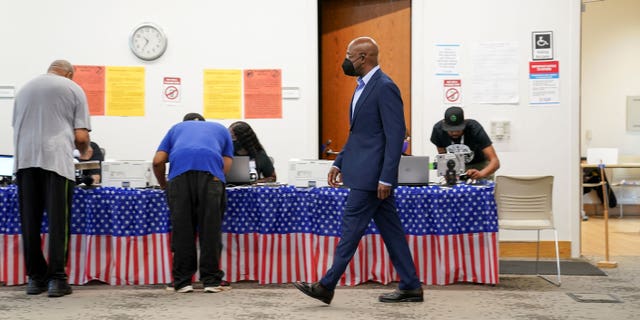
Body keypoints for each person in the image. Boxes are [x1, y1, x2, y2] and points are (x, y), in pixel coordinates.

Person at [293, 37, 423, 304]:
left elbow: (395, 134)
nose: (346, 59)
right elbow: (359, 134)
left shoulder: (385, 87)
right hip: (365, 173)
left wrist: (387, 176)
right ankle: (410, 285)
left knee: (351, 230)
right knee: (392, 232)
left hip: (372, 178)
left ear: (363, 58)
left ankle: (326, 285)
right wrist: (340, 161)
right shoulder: (362, 87)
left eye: (349, 54)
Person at [12, 59, 91, 297]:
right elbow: (80, 136)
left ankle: (35, 279)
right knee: (59, 223)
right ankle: (57, 280)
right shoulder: (72, 88)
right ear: (69, 74)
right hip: (56, 161)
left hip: (25, 162)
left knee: (30, 222)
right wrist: (85, 150)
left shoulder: (24, 89)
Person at [152, 112, 234, 293]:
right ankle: (211, 281)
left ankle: (182, 282)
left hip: (179, 179)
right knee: (210, 230)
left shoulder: (176, 129)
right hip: (211, 178)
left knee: (182, 230)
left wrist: (165, 186)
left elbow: (158, 161)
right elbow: (225, 165)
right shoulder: (220, 129)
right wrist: (215, 180)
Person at [430, 106, 500, 180]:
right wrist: (447, 173)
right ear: (444, 125)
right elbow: (443, 158)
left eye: (458, 130)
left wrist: (481, 174)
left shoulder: (474, 128)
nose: (454, 133)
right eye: (450, 130)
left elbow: (495, 162)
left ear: (464, 123)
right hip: (457, 165)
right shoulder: (438, 130)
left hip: (480, 165)